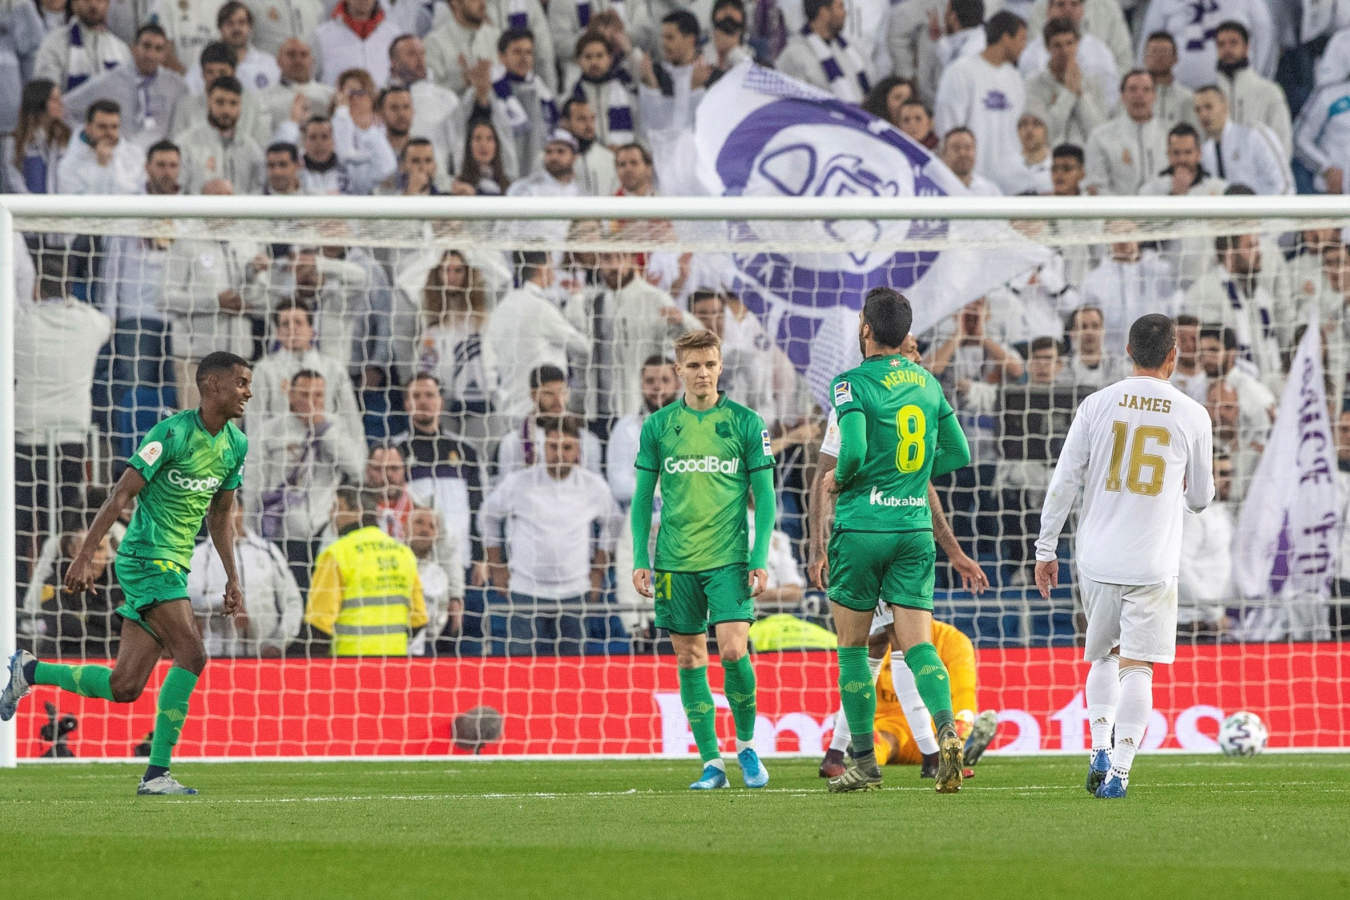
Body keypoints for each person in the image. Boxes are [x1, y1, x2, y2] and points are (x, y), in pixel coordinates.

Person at [1, 351, 253, 796]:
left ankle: (29, 671)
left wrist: (233, 577)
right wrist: (84, 555)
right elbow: (119, 495)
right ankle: (157, 775)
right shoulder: (170, 433)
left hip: (175, 564)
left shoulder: (236, 445)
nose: (247, 392)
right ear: (212, 385)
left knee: (125, 686)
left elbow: (221, 514)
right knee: (193, 655)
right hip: (144, 557)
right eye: (240, 383)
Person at [1035, 314, 1214, 799]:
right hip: (1152, 564)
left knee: (1102, 656)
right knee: (1138, 667)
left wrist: (1045, 548)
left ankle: (1097, 744)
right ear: (1173, 356)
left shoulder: (1096, 404)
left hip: (1096, 558)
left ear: (1128, 352)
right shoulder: (1193, 414)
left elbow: (1064, 480)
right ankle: (1120, 772)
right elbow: (1200, 499)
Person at [820, 289, 972, 794]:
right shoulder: (927, 383)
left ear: (865, 328)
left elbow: (856, 448)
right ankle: (947, 731)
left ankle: (863, 764)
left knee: (853, 650)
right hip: (913, 529)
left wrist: (843, 478)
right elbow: (959, 453)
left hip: (862, 529)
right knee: (919, 647)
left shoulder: (849, 384)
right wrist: (910, 475)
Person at [630, 328, 775, 790]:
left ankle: (748, 747)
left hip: (729, 559)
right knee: (690, 658)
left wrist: (758, 555)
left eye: (710, 364)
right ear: (679, 370)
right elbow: (640, 499)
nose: (702, 373)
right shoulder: (657, 427)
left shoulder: (747, 423)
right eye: (693, 366)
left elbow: (766, 498)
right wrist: (640, 556)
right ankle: (712, 762)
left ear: (721, 366)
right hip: (674, 561)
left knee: (733, 650)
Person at [479, 415, 620, 655]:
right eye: (553, 446)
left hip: (575, 592)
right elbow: (487, 516)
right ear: (544, 448)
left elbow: (613, 523)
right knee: (522, 671)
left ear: (577, 451)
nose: (559, 453)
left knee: (572, 674)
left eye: (567, 447)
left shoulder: (592, 485)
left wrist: (598, 569)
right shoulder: (519, 482)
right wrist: (496, 564)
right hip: (526, 591)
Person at [247, 368, 365, 588]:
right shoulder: (269, 431)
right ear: (290, 395)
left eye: (318, 395)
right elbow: (253, 484)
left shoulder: (336, 427)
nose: (312, 401)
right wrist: (250, 534)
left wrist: (322, 428)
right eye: (304, 394)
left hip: (325, 532)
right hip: (283, 534)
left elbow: (356, 468)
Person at [303, 485, 429, 655]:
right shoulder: (403, 553)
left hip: (348, 663)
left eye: (337, 507)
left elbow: (318, 624)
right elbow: (419, 620)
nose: (331, 515)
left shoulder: (337, 554)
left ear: (358, 511)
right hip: (395, 663)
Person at [187, 500, 302, 657]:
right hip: (217, 655)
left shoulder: (268, 551)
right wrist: (222, 603)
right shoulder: (199, 557)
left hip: (264, 654)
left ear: (241, 510)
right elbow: (189, 602)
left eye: (229, 508)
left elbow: (292, 601)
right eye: (215, 511)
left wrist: (278, 643)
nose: (223, 516)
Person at [933, 10, 1027, 194]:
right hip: (971, 184)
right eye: (1022, 38)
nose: (1024, 46)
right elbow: (947, 129)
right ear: (1006, 37)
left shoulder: (1015, 77)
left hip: (1011, 184)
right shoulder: (960, 72)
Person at [61, 23, 187, 150]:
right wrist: (89, 140)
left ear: (165, 54)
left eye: (158, 49)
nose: (151, 55)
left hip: (159, 161)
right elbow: (64, 108)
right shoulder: (109, 81)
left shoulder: (176, 85)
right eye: (146, 46)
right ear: (134, 48)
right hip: (119, 160)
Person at [1023, 17, 1109, 148]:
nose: (1065, 51)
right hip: (1049, 161)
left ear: (1078, 43)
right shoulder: (1033, 85)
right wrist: (1068, 93)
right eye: (1057, 45)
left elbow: (1100, 134)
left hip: (1085, 162)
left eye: (1070, 43)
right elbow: (1044, 134)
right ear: (1047, 48)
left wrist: (1080, 94)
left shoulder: (1094, 83)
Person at [1211, 19, 1291, 158]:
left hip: (1259, 174)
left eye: (1233, 43)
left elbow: (1282, 142)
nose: (1227, 49)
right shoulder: (1209, 94)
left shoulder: (1269, 91)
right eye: (1221, 44)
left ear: (1246, 47)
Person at [1194, 85, 1291, 197]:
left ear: (1225, 105)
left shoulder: (1254, 135)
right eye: (1198, 110)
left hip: (1267, 212)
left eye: (1209, 107)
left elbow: (1285, 186)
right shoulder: (1205, 153)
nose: (1203, 115)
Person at [1083, 69, 1165, 195]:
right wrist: (1123, 213)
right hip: (1116, 212)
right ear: (1122, 96)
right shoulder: (1100, 137)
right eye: (1132, 89)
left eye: (1146, 90)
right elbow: (1096, 187)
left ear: (1154, 96)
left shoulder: (1169, 135)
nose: (1139, 95)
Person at [776, 0, 872, 104]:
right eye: (840, 7)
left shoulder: (850, 48)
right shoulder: (794, 53)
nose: (845, 13)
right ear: (824, 13)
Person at [32, 0, 131, 93]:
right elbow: (46, 97)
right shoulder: (54, 44)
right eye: (86, 0)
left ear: (108, 4)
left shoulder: (121, 49)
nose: (93, 4)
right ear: (73, 4)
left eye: (100, 0)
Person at [55, 98, 142, 193]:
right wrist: (102, 166)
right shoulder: (68, 165)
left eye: (114, 127)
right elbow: (78, 205)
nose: (109, 133)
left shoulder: (135, 155)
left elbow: (140, 193)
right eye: (102, 127)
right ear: (88, 127)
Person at [0, 79, 69, 194]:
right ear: (39, 102)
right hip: (27, 207)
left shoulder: (65, 136)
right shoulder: (14, 141)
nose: (60, 103)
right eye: (54, 99)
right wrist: (34, 205)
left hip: (61, 206)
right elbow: (13, 180)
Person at [313, 0, 401, 86]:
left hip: (382, 98)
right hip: (337, 99)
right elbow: (311, 79)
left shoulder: (393, 35)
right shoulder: (322, 36)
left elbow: (400, 76)